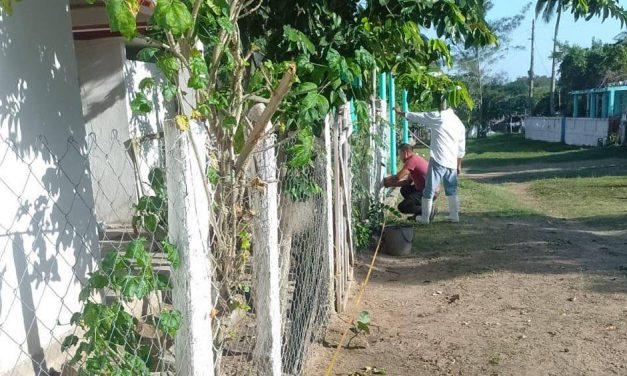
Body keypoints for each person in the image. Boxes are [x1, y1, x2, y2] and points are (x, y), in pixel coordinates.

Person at [395, 103, 466, 224]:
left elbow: (420, 116)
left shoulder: (438, 116)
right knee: (452, 189)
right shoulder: (459, 123)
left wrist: (402, 113)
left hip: (438, 159)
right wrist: (458, 164)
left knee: (429, 189)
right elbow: (461, 148)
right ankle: (454, 216)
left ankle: (425, 217)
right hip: (451, 161)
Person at [383, 144, 438, 220]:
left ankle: (428, 211)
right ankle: (420, 213)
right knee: (405, 189)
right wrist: (390, 184)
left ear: (405, 152)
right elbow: (407, 182)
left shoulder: (411, 160)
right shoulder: (415, 159)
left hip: (430, 191)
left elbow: (398, 177)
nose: (400, 157)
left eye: (400, 154)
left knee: (403, 207)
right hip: (428, 190)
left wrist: (385, 180)